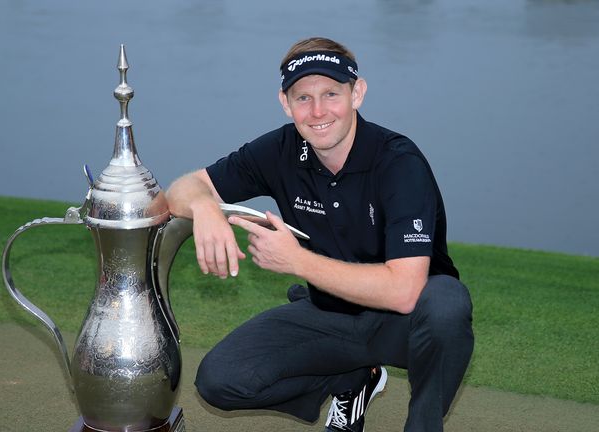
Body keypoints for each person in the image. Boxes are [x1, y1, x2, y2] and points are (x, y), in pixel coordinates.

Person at [165, 36, 474, 432]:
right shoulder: (282, 149)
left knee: (447, 303)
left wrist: (295, 260)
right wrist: (205, 207)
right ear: (285, 102)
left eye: (331, 93)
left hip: (408, 323)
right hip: (330, 315)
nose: (317, 111)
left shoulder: (399, 162)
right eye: (303, 98)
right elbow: (182, 189)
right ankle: (352, 379)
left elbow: (406, 291)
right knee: (220, 380)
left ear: (357, 93)